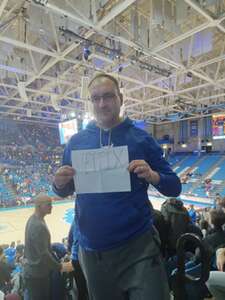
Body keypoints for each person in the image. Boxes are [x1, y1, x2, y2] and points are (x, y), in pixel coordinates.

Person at [53, 73, 181, 300]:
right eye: (96, 98)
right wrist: (58, 183)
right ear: (90, 103)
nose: (102, 103)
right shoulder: (76, 142)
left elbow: (175, 187)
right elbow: (65, 188)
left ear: (121, 98)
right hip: (93, 253)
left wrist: (153, 175)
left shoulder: (141, 139)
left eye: (108, 96)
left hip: (138, 247)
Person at [23, 193, 72, 300]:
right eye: (48, 204)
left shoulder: (34, 219)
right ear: (39, 206)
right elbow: (43, 255)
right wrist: (61, 267)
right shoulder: (38, 226)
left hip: (34, 272)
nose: (52, 206)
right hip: (37, 275)